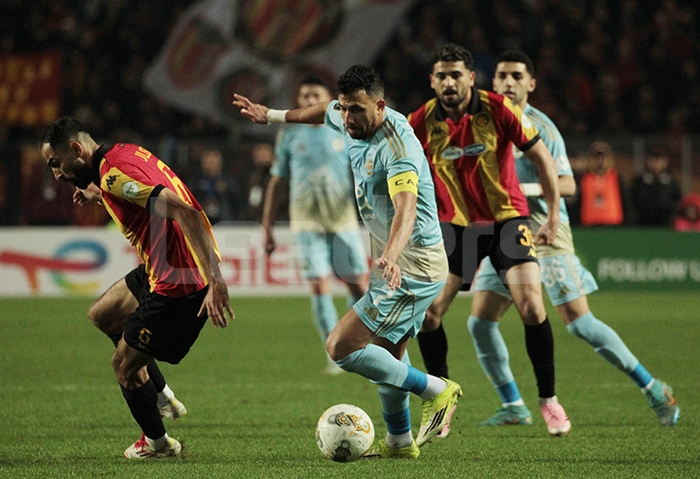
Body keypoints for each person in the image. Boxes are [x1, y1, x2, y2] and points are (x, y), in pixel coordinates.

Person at [233, 64, 461, 459]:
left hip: (412, 267)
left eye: (356, 109)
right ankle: (399, 442)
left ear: (380, 106)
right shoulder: (344, 118)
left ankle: (438, 390)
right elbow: (319, 111)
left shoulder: (397, 147)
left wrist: (391, 255)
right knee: (387, 358)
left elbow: (407, 207)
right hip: (398, 264)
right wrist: (270, 115)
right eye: (343, 108)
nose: (347, 118)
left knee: (342, 346)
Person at [470, 49, 679, 428]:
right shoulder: (482, 124)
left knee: (579, 322)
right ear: (492, 82)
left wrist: (522, 191)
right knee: (480, 323)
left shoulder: (542, 129)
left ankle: (653, 387)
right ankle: (513, 404)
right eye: (502, 75)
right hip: (506, 233)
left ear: (531, 84)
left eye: (517, 76)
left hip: (545, 230)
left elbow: (567, 184)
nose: (509, 82)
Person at [41, 117, 234, 459]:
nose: (56, 174)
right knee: (103, 315)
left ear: (76, 149)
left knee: (124, 367)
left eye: (56, 163)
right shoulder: (122, 154)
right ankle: (159, 394)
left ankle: (159, 444)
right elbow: (138, 198)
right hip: (161, 269)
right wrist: (99, 195)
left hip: (178, 283)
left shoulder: (114, 177)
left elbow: (185, 212)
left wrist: (216, 281)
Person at [407, 44, 569, 437]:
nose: (449, 82)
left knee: (531, 306)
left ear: (470, 77)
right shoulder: (419, 122)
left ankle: (548, 401)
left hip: (506, 222)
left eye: (455, 75)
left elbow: (544, 159)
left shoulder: (498, 109)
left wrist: (551, 216)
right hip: (456, 228)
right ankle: (441, 399)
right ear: (432, 81)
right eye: (442, 76)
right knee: (428, 315)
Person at [262, 75, 369, 375]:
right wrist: (267, 225)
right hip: (307, 224)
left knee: (358, 286)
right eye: (304, 96)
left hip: (342, 221)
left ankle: (361, 342)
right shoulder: (289, 135)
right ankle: (336, 356)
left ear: (328, 100)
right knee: (319, 286)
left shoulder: (345, 130)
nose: (309, 101)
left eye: (315, 95)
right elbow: (277, 182)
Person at [189, 147, 243, 225]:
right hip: (201, 223)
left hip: (224, 223)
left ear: (219, 162)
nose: (210, 164)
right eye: (207, 161)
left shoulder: (229, 181)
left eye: (213, 161)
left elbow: (238, 203)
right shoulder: (196, 182)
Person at [579, 141, 626, 227]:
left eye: (603, 157)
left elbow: (625, 200)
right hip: (590, 223)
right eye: (597, 158)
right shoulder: (584, 178)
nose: (600, 161)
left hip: (612, 222)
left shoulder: (616, 177)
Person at [631, 149, 682, 227]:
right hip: (642, 223)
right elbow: (633, 200)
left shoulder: (672, 182)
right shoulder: (639, 181)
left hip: (665, 223)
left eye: (659, 161)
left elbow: (677, 201)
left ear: (665, 162)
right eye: (652, 160)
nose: (656, 164)